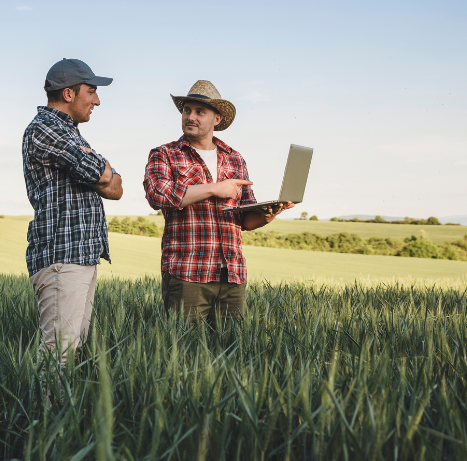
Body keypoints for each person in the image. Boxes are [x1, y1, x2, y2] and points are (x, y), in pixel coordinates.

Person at [143, 80, 293, 324]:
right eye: (186, 110)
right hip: (187, 273)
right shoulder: (165, 154)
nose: (190, 117)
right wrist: (214, 189)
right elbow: (157, 195)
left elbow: (245, 220)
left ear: (217, 119)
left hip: (232, 276)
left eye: (200, 112)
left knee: (232, 355)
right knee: (184, 356)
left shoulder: (235, 159)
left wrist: (267, 214)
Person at [22, 58, 122, 364]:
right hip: (61, 258)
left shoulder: (71, 133)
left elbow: (116, 187)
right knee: (58, 356)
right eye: (90, 91)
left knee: (72, 352)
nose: (97, 100)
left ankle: (64, 412)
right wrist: (97, 166)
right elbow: (104, 175)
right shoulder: (46, 130)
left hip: (80, 256)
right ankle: (45, 413)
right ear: (69, 94)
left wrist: (98, 167)